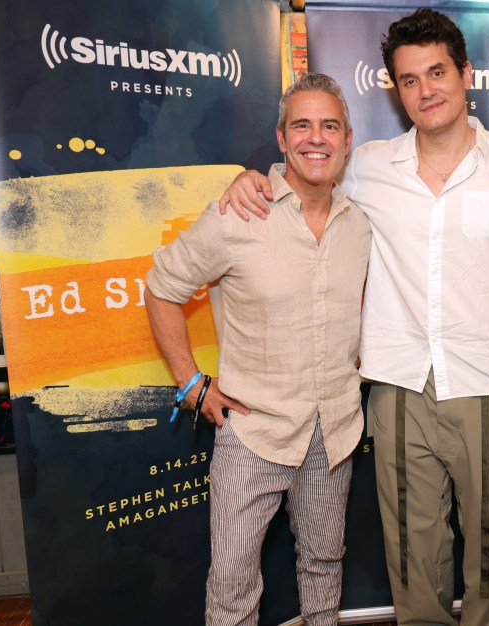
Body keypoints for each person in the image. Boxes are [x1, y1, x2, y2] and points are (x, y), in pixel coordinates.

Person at [220, 9, 489, 625]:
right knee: (413, 557)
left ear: (465, 74)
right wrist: (248, 178)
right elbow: (306, 172)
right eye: (409, 80)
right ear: (396, 88)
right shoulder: (368, 167)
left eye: (437, 72)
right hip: (397, 390)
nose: (425, 90)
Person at [145, 73, 370, 626]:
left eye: (329, 126)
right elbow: (160, 287)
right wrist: (191, 383)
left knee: (323, 564)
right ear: (280, 137)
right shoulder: (238, 214)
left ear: (346, 139)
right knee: (232, 582)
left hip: (334, 432)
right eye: (302, 125)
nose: (315, 138)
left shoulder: (361, 225)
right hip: (253, 434)